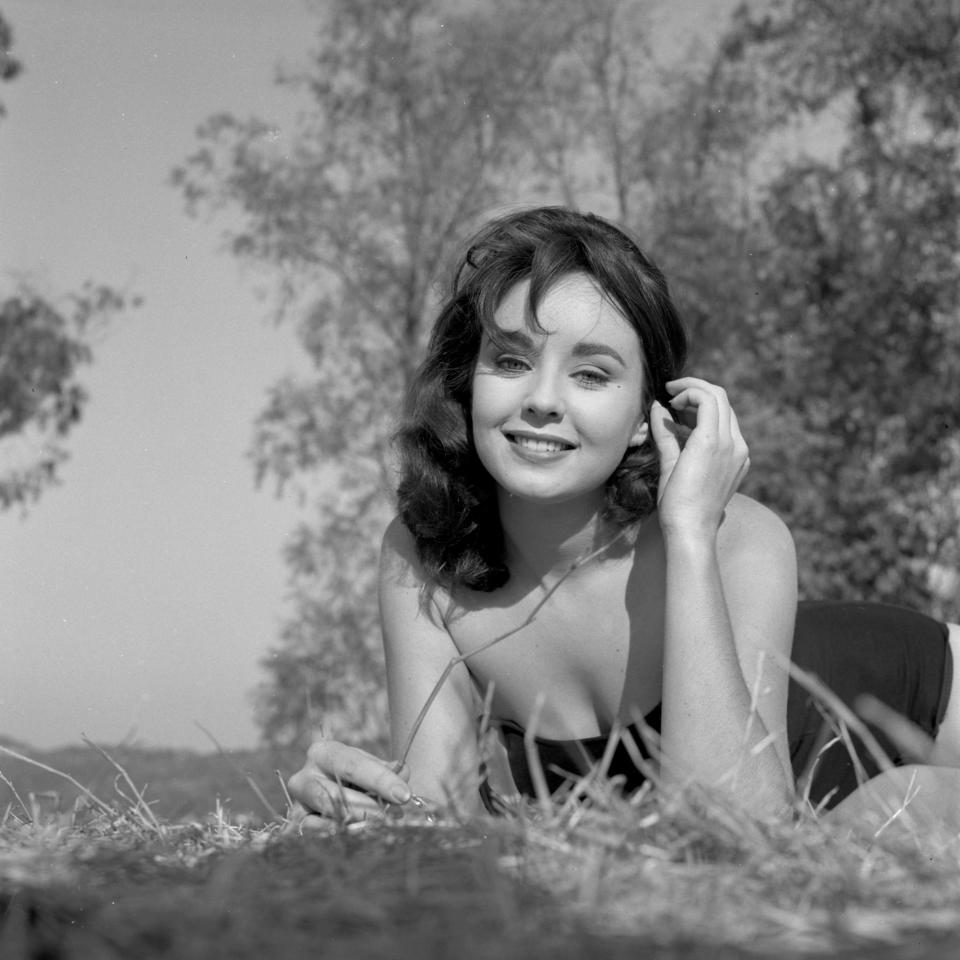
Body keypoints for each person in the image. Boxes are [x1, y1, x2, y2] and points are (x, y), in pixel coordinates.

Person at [286, 206, 960, 836]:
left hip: (923, 695)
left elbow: (729, 829)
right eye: (512, 361)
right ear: (470, 383)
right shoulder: (424, 556)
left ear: (645, 415)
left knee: (903, 816)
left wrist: (690, 536)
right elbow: (438, 827)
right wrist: (351, 808)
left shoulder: (736, 538)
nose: (543, 400)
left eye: (591, 374)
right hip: (841, 815)